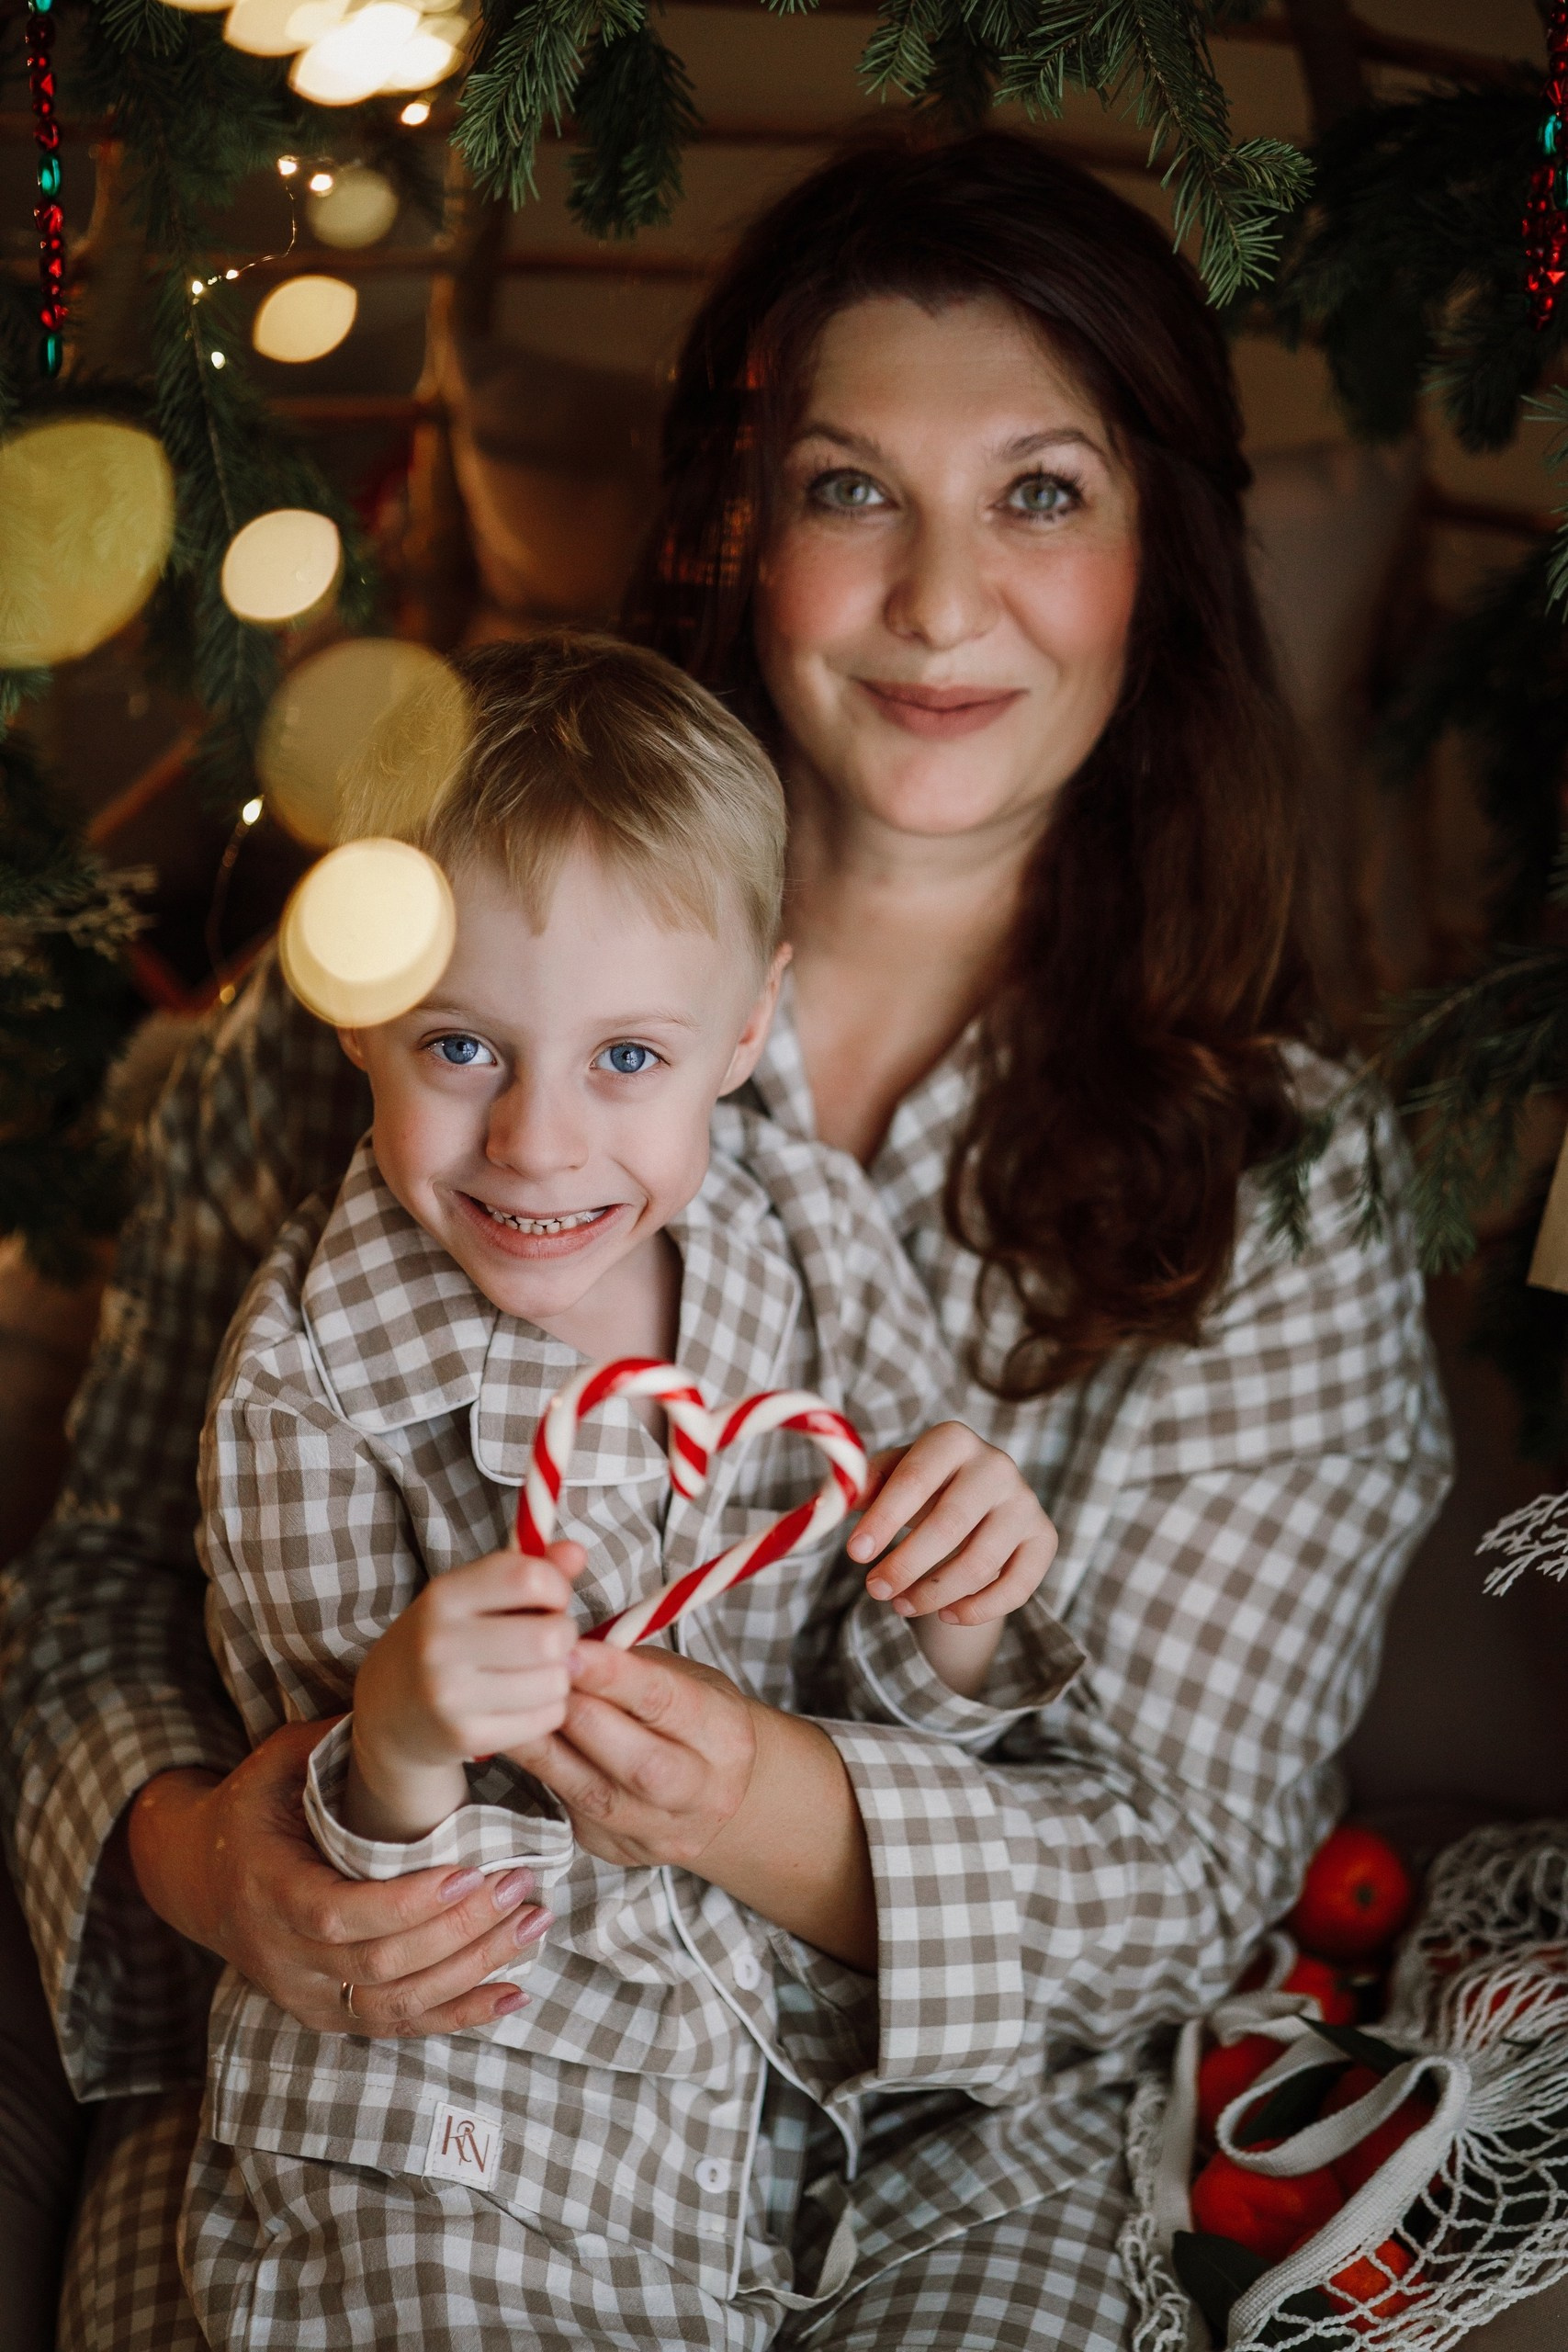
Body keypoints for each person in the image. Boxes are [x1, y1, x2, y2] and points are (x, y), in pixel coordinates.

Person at [0, 130, 1450, 2351]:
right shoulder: (390, 974)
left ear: (1155, 551)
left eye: (1038, 494)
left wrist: (764, 1796)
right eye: (852, 489)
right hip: (389, 2096)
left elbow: (1179, 1869)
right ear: (737, 528)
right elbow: (98, 1569)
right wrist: (206, 1856)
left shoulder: (1285, 1189)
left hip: (936, 2162)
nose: (939, 601)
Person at [186, 631, 1070, 2344]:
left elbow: (892, 1687)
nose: (537, 1140)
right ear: (363, 1008)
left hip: (755, 2126)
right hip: (441, 2125)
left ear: (748, 1027)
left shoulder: (811, 1245)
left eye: (629, 1060)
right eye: (461, 1048)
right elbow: (313, 1856)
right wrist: (405, 1728)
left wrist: (960, 1604)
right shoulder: (308, 1371)